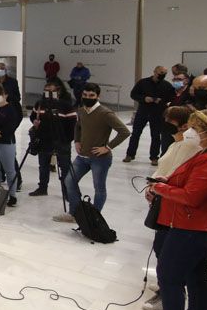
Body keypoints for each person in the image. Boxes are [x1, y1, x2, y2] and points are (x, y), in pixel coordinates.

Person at [139, 109, 207, 310]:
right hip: (196, 226)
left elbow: (192, 196)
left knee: (169, 276)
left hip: (193, 227)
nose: (189, 132)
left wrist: (161, 188)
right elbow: (190, 184)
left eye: (195, 128)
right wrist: (167, 182)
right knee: (194, 276)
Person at [141, 106, 202, 310]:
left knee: (165, 250)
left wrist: (160, 187)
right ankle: (164, 284)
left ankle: (169, 293)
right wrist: (153, 186)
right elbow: (164, 168)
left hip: (175, 206)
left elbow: (178, 176)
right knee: (161, 246)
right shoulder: (176, 144)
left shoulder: (189, 147)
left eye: (169, 120)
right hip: (163, 198)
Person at [53, 83, 130, 221]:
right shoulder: (81, 110)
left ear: (97, 96)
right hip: (82, 157)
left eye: (91, 95)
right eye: (85, 95)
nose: (88, 98)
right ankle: (74, 213)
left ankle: (94, 218)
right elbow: (78, 126)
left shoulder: (105, 113)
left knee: (99, 188)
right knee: (69, 181)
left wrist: (107, 147)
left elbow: (124, 132)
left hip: (99, 159)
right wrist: (77, 140)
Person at [28, 80, 76, 198]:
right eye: (47, 91)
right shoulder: (39, 104)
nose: (49, 94)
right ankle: (42, 188)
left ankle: (67, 192)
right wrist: (35, 123)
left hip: (61, 141)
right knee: (43, 166)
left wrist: (67, 139)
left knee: (65, 168)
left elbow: (72, 125)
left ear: (58, 91)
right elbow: (33, 117)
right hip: (44, 141)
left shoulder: (66, 105)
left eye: (52, 91)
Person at [123, 66, 174, 165]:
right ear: (154, 72)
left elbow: (170, 98)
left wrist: (161, 101)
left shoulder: (167, 85)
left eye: (164, 73)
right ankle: (130, 154)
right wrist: (144, 98)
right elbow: (133, 94)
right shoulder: (143, 82)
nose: (162, 75)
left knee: (155, 136)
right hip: (143, 111)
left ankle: (154, 157)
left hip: (158, 113)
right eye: (160, 72)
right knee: (136, 133)